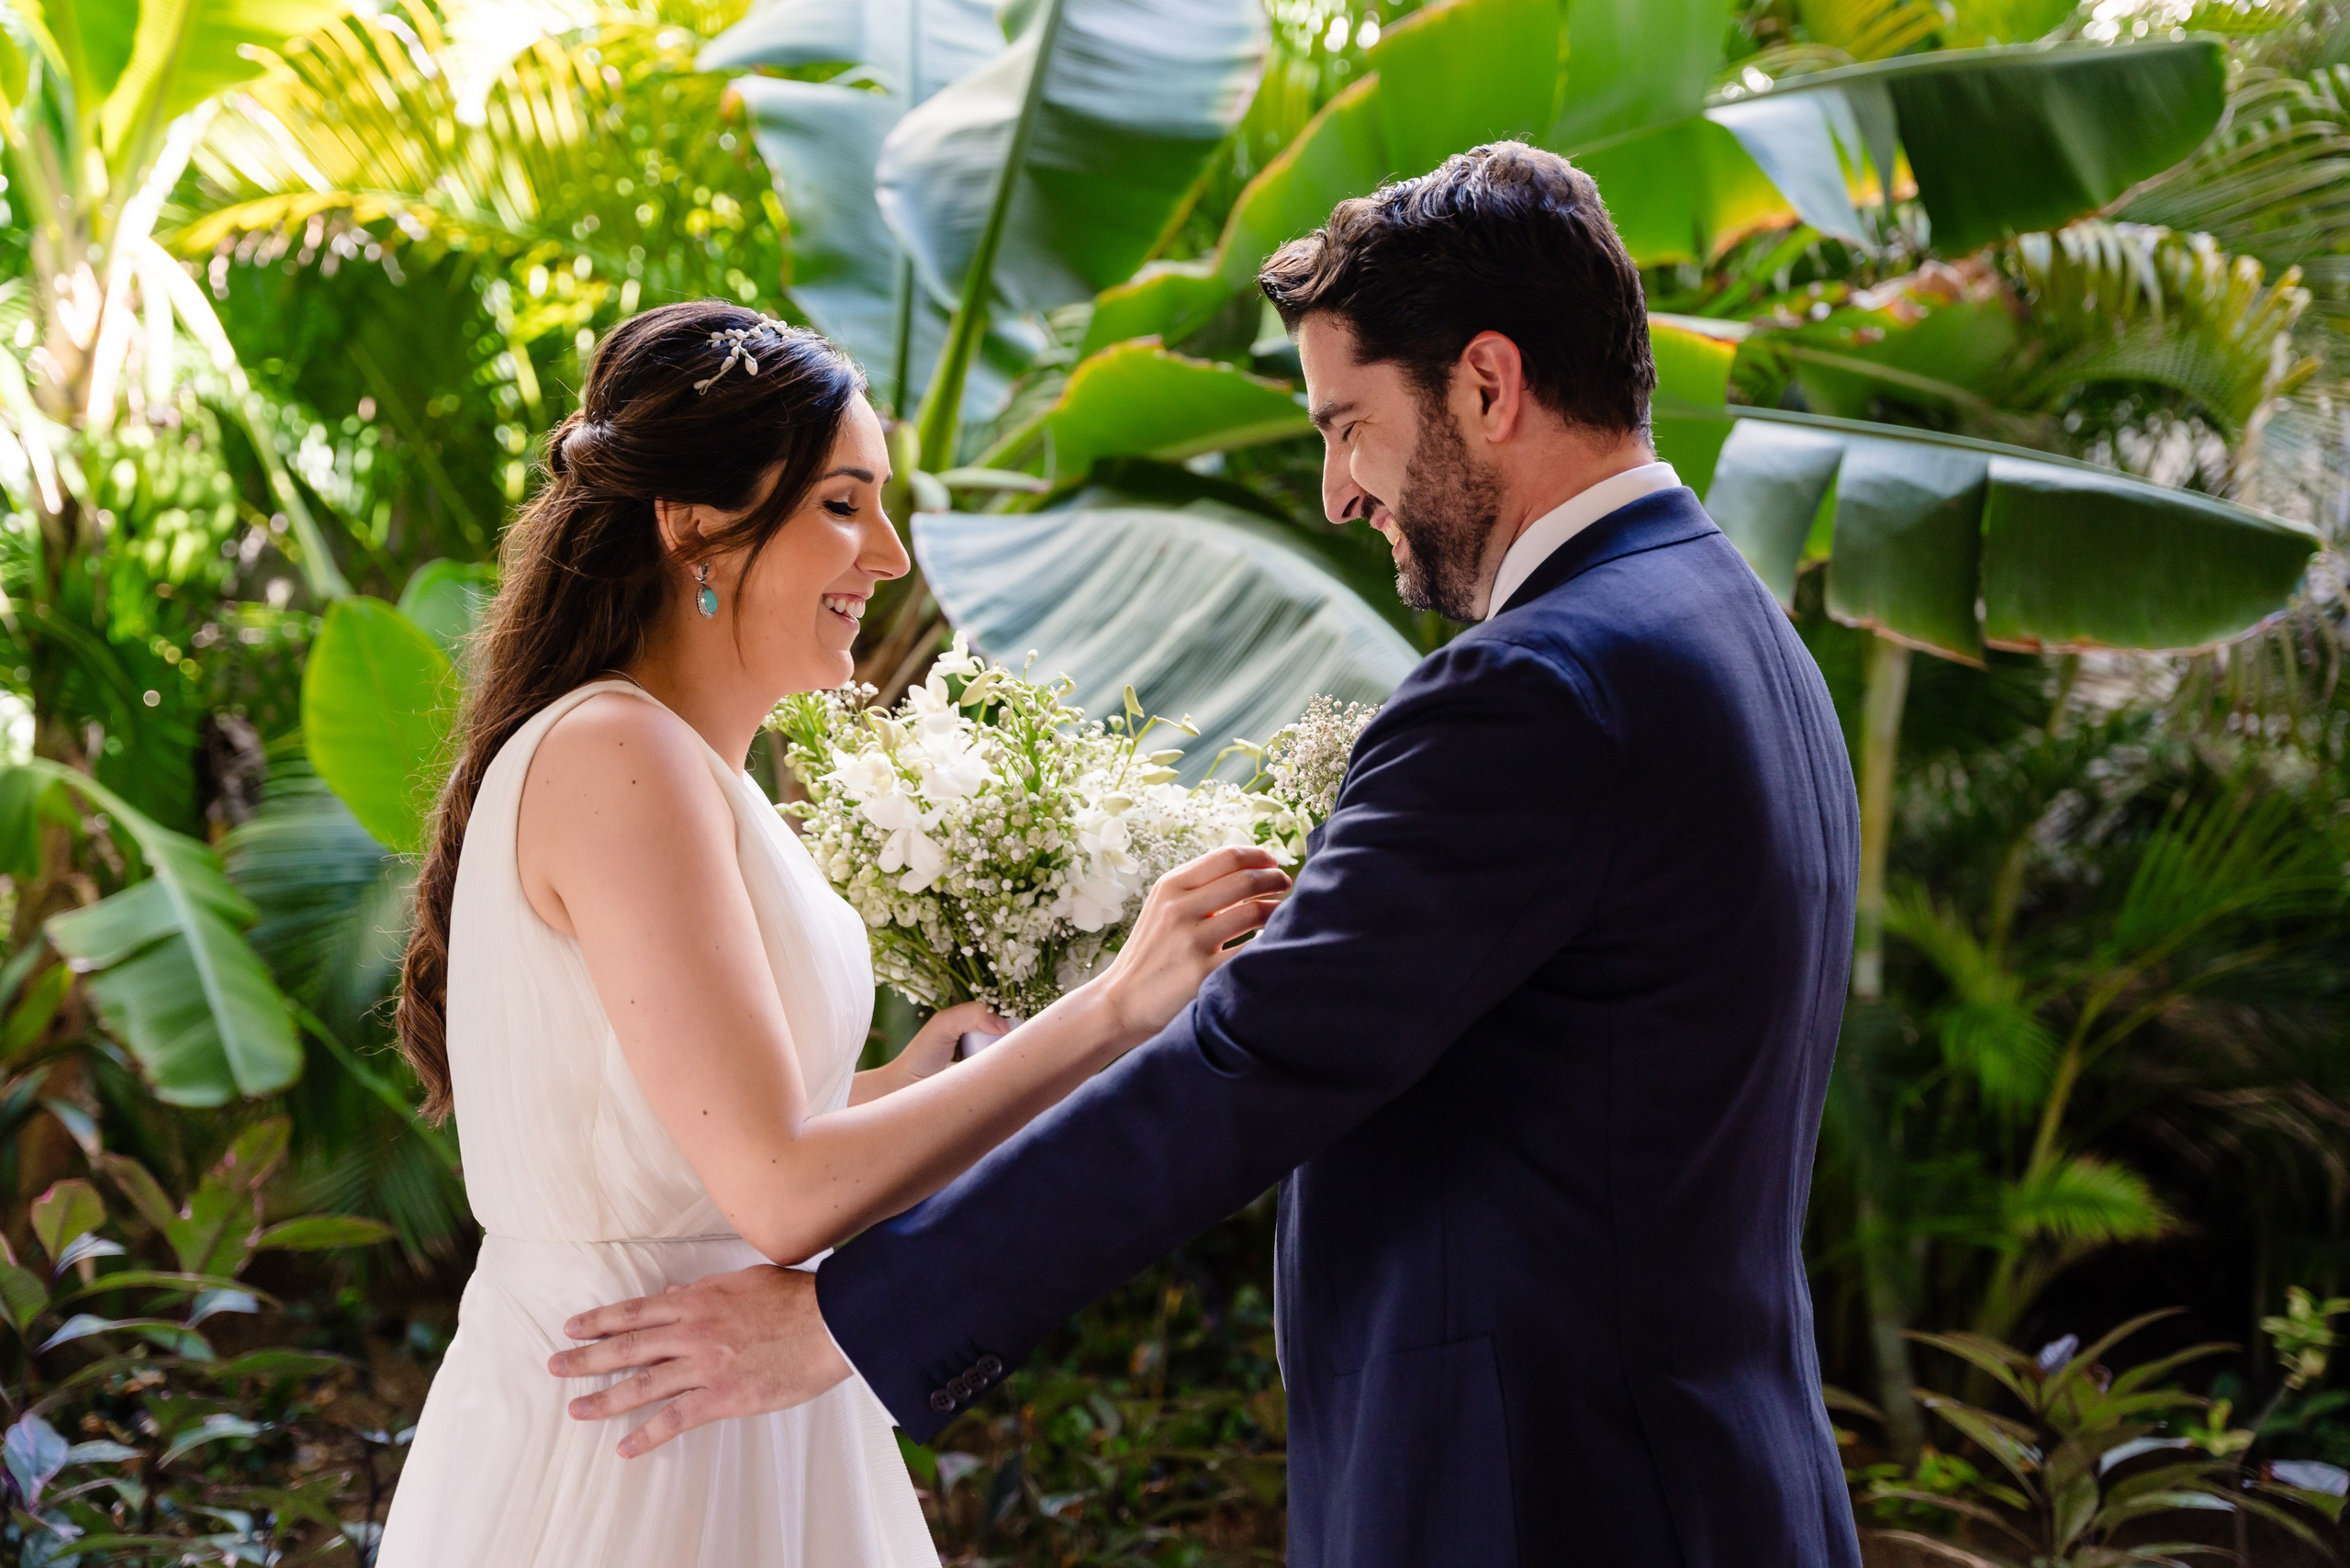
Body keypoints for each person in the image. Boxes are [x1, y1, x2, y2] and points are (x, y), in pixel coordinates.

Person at [555, 143, 1867, 1567]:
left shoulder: (1541, 689)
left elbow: (1253, 1065)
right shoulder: (1738, 635)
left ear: (1488, 385)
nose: (1336, 493)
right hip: (1707, 1475)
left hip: (1546, 1494)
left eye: (1348, 424)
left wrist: (848, 1324)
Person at [374, 299, 1289, 1568]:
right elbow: (778, 1189)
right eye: (843, 504)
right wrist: (1120, 1001)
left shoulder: (692, 768)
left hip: (729, 1396)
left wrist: (914, 1078)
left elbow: (696, 1129)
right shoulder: (619, 754)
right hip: (639, 1440)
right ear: (695, 523)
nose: (893, 555)